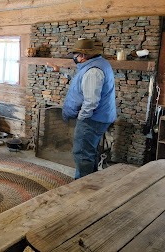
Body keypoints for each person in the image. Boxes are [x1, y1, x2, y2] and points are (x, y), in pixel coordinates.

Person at [48, 38, 116, 179]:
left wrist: (81, 117)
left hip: (92, 119)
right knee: (90, 151)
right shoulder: (98, 64)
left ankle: (82, 187)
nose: (74, 57)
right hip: (101, 117)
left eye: (75, 54)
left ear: (83, 55)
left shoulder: (93, 71)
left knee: (82, 153)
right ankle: (91, 181)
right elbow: (79, 76)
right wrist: (60, 70)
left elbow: (91, 102)